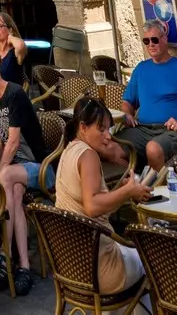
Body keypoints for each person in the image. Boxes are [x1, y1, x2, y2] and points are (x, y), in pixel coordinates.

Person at [55, 95, 150, 295]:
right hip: (101, 271)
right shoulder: (88, 155)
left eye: (109, 129)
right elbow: (92, 207)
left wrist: (122, 192)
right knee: (158, 260)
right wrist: (128, 191)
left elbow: (92, 204)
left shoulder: (68, 151)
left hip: (72, 267)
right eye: (101, 129)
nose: (108, 136)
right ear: (82, 127)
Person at [0, 36, 40, 295]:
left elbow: (13, 144)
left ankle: (4, 259)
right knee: (11, 191)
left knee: (6, 178)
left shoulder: (14, 94)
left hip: (37, 165)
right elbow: (3, 143)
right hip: (16, 172)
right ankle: (22, 264)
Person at [119, 18, 177, 170]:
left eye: (154, 40)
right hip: (142, 129)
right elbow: (127, 102)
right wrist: (127, 114)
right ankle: (135, 185)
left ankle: (160, 192)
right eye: (146, 41)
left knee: (153, 149)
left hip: (171, 131)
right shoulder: (141, 69)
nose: (151, 45)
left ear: (164, 39)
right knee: (109, 145)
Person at [0, 11, 28, 83]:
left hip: (10, 92)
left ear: (10, 29)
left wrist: (10, 37)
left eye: (0, 26)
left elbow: (20, 45)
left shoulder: (14, 52)